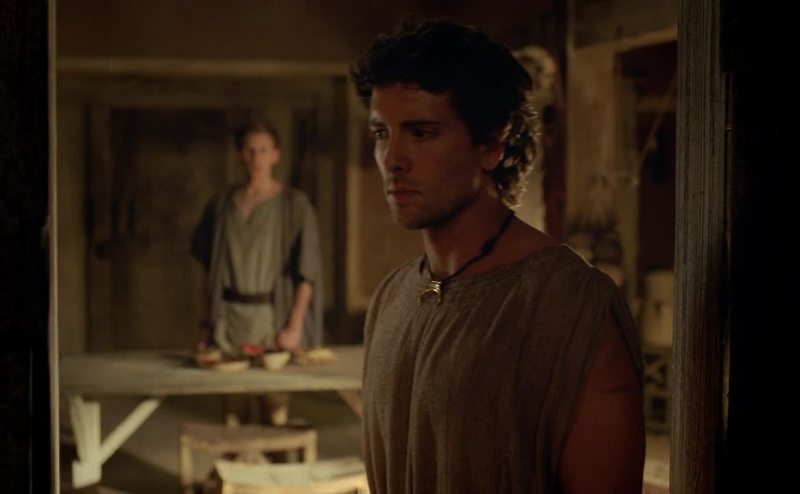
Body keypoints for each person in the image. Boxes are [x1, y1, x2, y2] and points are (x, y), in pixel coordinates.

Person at [352, 19, 644, 493]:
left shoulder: (568, 305)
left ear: (492, 145)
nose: (393, 159)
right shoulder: (392, 297)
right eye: (382, 133)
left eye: (422, 133)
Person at [190, 121, 324, 422]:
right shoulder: (222, 205)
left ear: (276, 155)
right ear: (240, 154)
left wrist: (294, 327)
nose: (256, 158)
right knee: (233, 414)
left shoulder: (294, 205)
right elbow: (208, 272)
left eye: (263, 151)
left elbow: (308, 272)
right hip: (228, 321)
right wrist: (205, 324)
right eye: (250, 151)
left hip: (271, 320)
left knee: (275, 413)